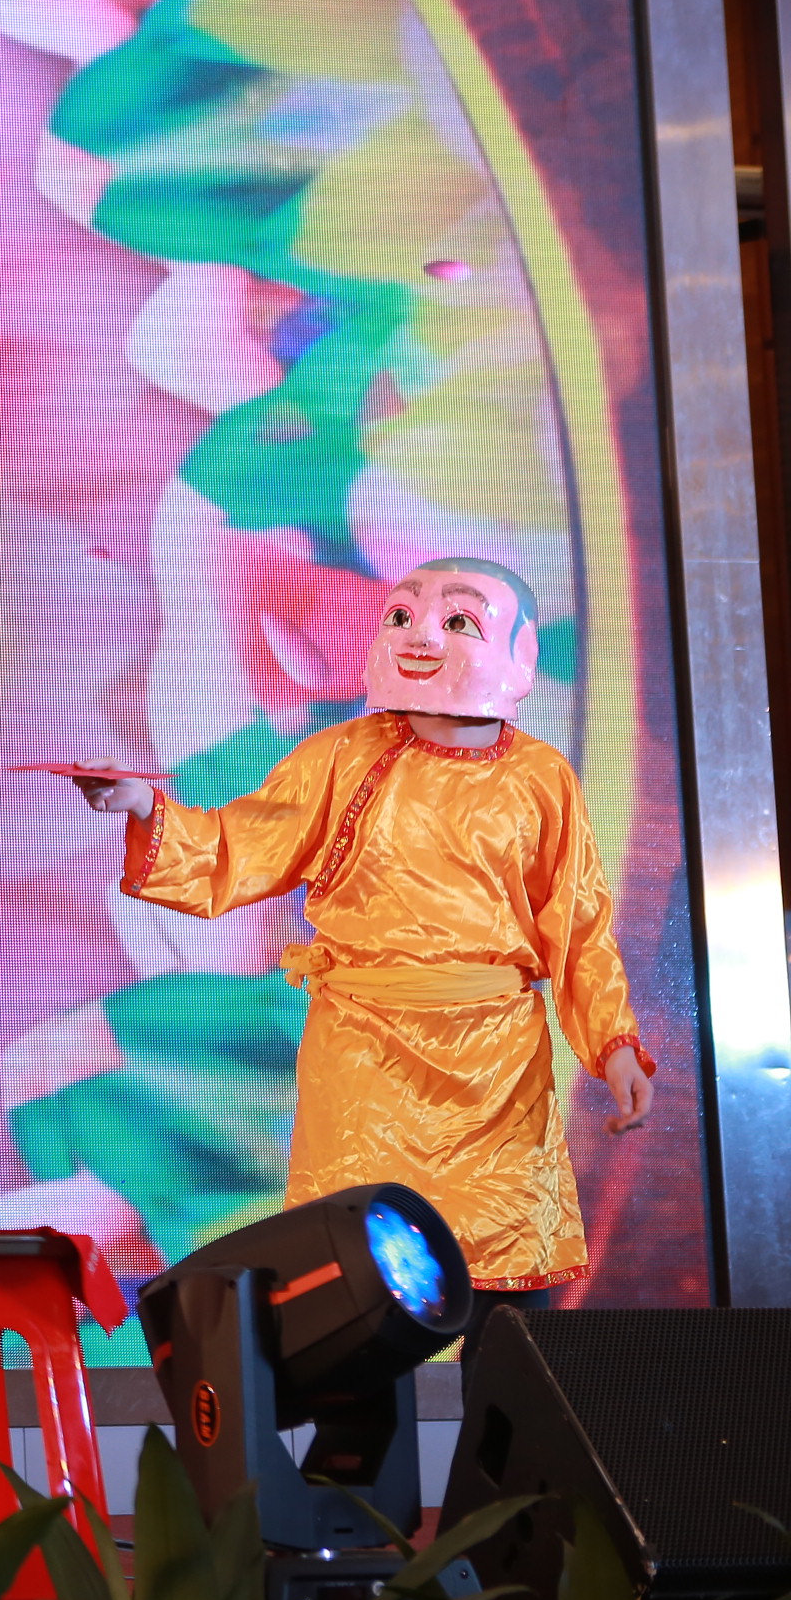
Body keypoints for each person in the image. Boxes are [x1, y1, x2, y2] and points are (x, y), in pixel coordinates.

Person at [69, 557, 652, 1367]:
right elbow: (244, 846)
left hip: (494, 1068)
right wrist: (145, 807)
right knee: (357, 1283)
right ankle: (357, 1448)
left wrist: (613, 1044)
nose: (421, 637)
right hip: (363, 1055)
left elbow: (580, 927)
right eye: (402, 616)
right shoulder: (342, 756)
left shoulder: (541, 777)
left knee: (505, 1293)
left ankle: (511, 1447)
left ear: (516, 650)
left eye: (456, 621)